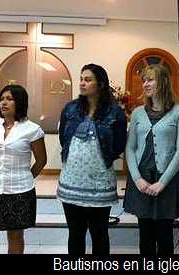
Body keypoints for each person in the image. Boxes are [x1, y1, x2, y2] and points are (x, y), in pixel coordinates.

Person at [57, 63, 127, 255]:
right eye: (81, 79)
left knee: (99, 233)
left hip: (99, 183)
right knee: (76, 233)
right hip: (71, 181)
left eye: (88, 80)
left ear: (101, 84)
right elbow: (63, 138)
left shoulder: (115, 112)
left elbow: (120, 144)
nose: (82, 83)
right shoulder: (70, 108)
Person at [124, 64, 179, 255]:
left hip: (167, 180)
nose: (145, 84)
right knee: (145, 237)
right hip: (141, 179)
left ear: (163, 82)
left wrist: (162, 182)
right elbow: (130, 147)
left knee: (164, 237)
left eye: (150, 79)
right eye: (144, 80)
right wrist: (137, 179)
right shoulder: (137, 113)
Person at [0, 84, 47, 254]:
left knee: (15, 238)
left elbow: (41, 161)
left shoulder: (32, 130)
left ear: (20, 102)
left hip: (20, 192)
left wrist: (26, 177)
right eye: (1, 99)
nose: (3, 102)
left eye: (9, 99)